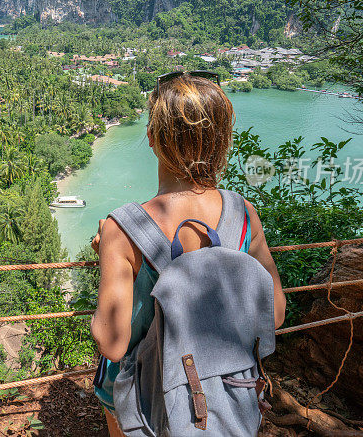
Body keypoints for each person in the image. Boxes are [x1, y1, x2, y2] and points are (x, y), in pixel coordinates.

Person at [89, 70, 286, 436]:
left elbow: (112, 344)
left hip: (142, 400)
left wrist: (109, 254)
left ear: (151, 138)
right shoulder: (243, 215)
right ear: (222, 140)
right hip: (224, 388)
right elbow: (273, 315)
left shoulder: (122, 229)